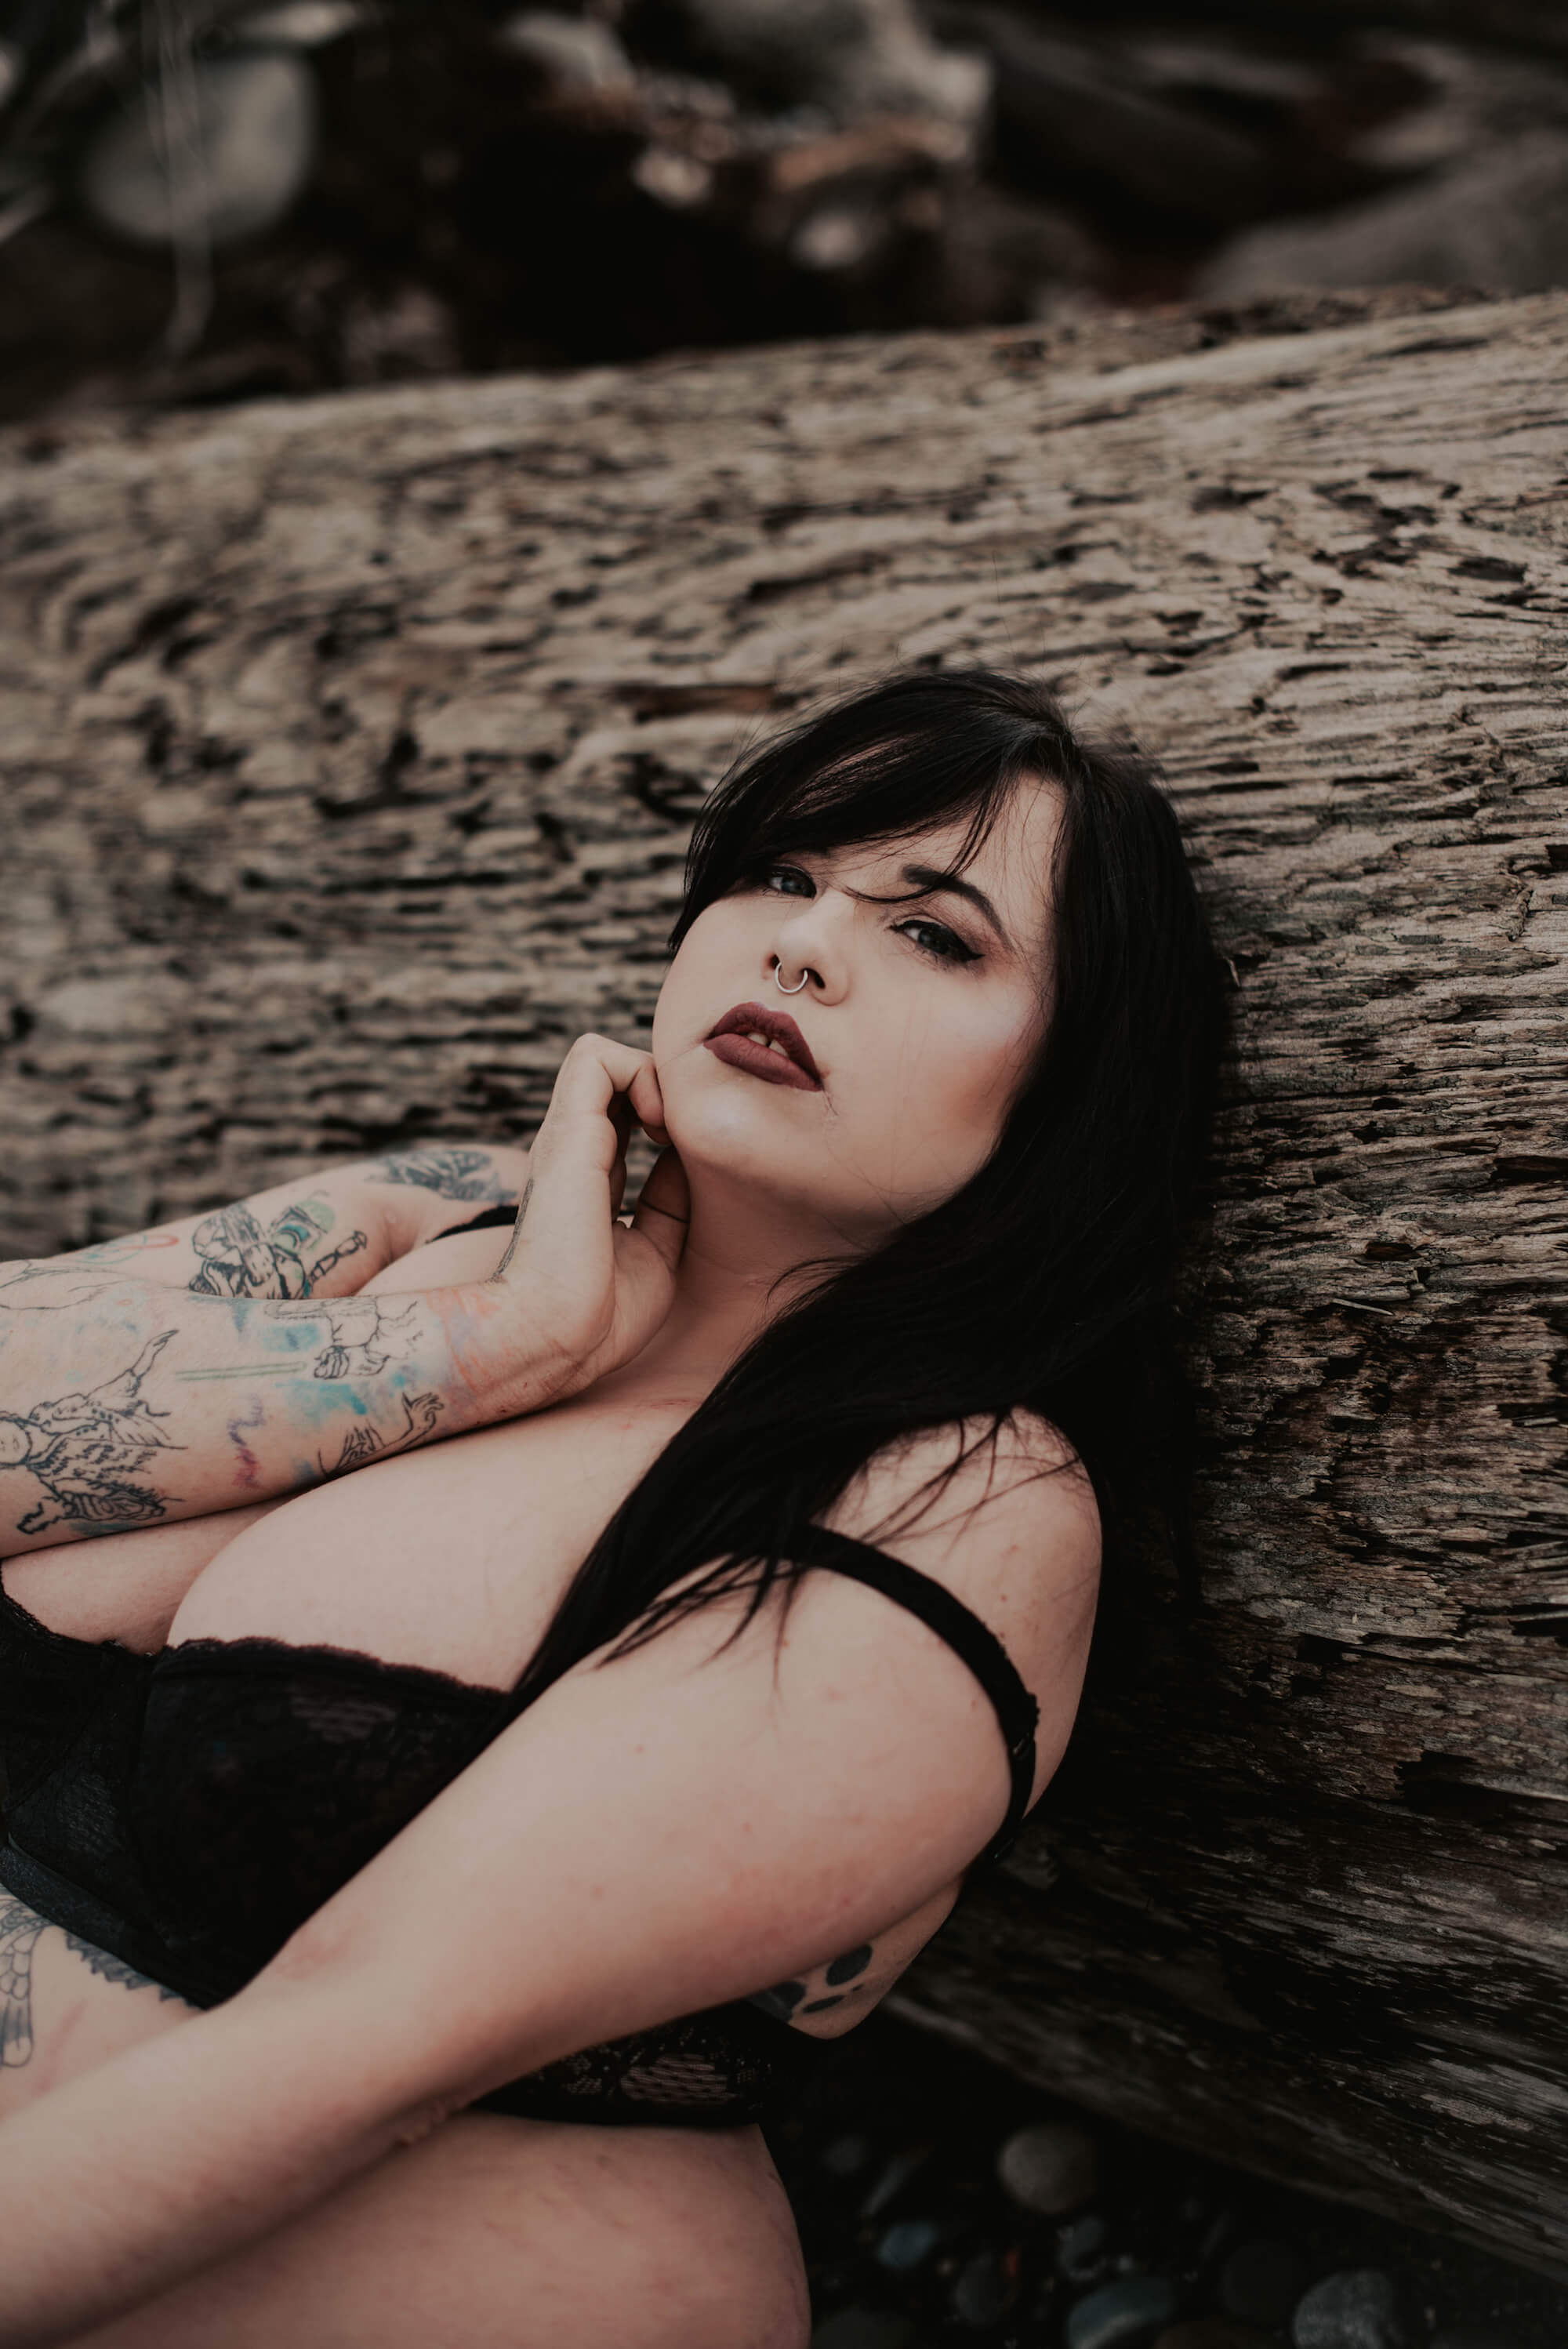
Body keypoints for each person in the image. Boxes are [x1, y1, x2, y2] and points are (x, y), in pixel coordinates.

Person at [0, 668, 1226, 2347]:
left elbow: (354, 2045)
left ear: (1075, 1085)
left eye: (935, 935)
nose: (803, 946)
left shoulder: (963, 1495)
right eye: (782, 874)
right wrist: (502, 1342)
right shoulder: (450, 1228)